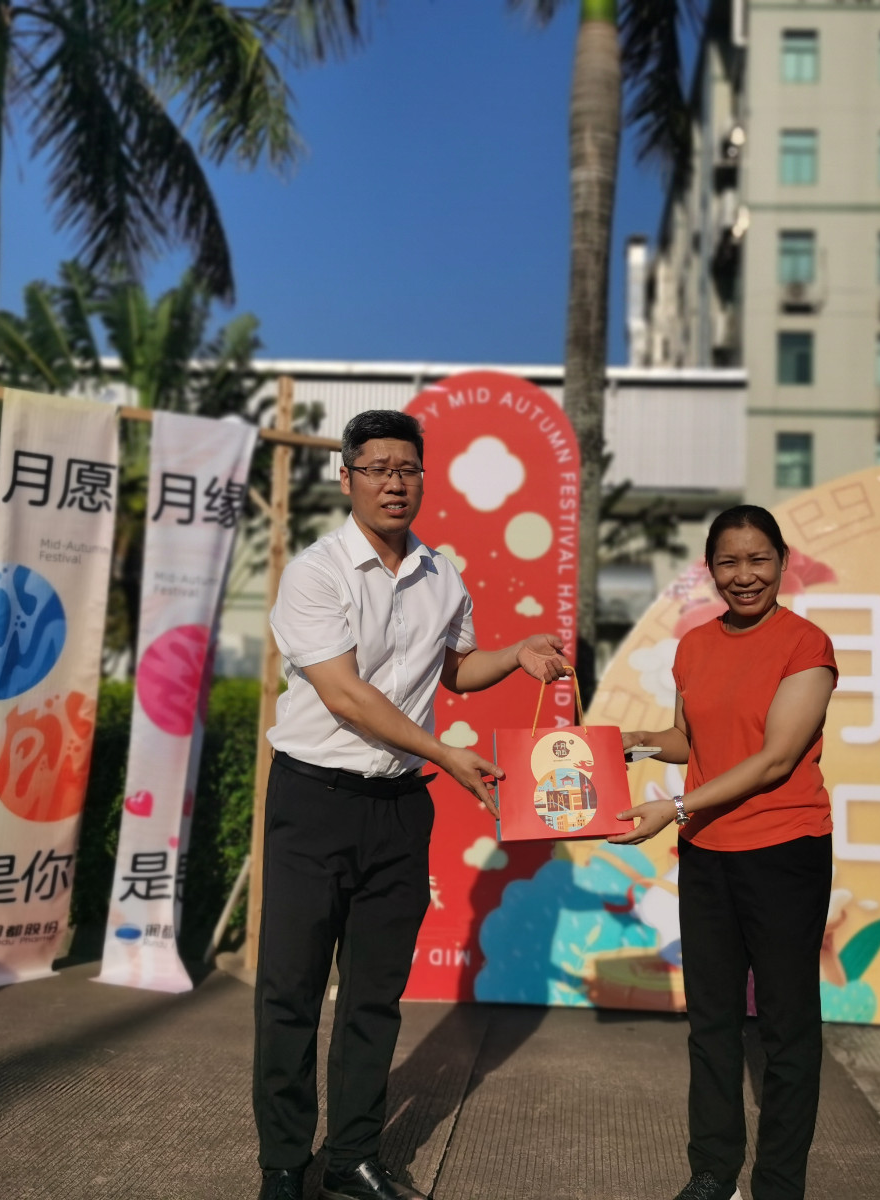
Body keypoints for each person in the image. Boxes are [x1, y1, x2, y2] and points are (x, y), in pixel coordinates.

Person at [256, 409, 570, 1200]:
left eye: (407, 469)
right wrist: (445, 754)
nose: (394, 484)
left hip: (399, 808)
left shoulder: (441, 574)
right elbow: (347, 696)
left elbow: (455, 670)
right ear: (347, 478)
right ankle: (284, 1165)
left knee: (375, 995)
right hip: (314, 800)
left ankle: (352, 1157)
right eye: (377, 469)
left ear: (423, 479)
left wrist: (517, 655)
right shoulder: (317, 572)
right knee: (291, 991)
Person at [615, 505, 838, 1200]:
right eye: (729, 562)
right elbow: (691, 740)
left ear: (783, 562)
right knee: (710, 1021)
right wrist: (631, 744)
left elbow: (775, 760)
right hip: (707, 851)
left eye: (758, 560)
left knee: (785, 1027)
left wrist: (676, 807)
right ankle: (712, 1171)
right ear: (710, 569)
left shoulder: (805, 645)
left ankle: (779, 1184)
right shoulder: (695, 645)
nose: (745, 575)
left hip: (785, 850)